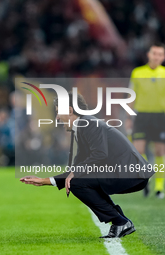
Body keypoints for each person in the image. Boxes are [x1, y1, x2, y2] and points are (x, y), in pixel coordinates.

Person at [20, 92, 154, 238]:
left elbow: (99, 154)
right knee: (78, 179)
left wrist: (74, 174)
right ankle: (121, 221)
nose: (57, 117)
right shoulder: (83, 126)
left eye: (58, 112)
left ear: (70, 110)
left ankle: (120, 221)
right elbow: (76, 168)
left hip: (132, 174)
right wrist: (44, 180)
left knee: (77, 182)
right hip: (127, 172)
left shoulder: (88, 124)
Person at [129, 43, 165, 198]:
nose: (156, 56)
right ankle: (146, 177)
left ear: (163, 57)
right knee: (138, 151)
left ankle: (159, 187)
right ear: (148, 55)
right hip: (141, 115)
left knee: (159, 151)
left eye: (160, 54)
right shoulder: (137, 73)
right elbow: (131, 95)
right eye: (154, 53)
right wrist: (129, 118)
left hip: (160, 116)